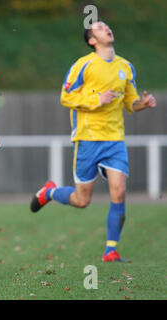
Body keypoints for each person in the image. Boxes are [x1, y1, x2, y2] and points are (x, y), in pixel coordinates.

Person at [30, 21, 157, 262]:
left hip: (115, 140)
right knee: (82, 200)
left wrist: (144, 104)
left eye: (107, 25)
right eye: (99, 27)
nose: (107, 28)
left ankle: (111, 249)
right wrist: (97, 99)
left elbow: (130, 102)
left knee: (119, 191)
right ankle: (50, 192)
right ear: (92, 40)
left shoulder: (126, 67)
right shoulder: (83, 65)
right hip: (87, 139)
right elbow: (66, 96)